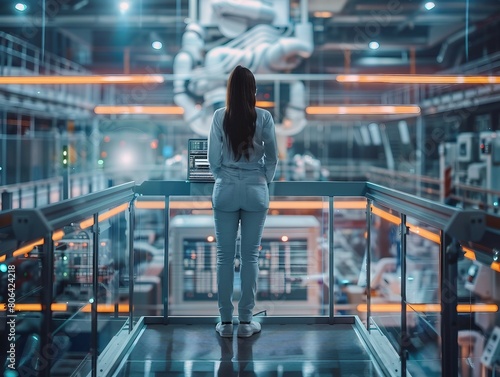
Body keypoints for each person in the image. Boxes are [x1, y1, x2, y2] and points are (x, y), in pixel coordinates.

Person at [208, 65, 278, 338]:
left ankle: (226, 323)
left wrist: (223, 177)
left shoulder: (218, 117)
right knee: (250, 257)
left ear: (229, 91)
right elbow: (272, 158)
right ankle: (246, 322)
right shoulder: (264, 118)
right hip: (255, 191)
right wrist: (262, 179)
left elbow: (213, 160)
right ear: (253, 92)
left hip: (224, 190)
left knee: (224, 258)